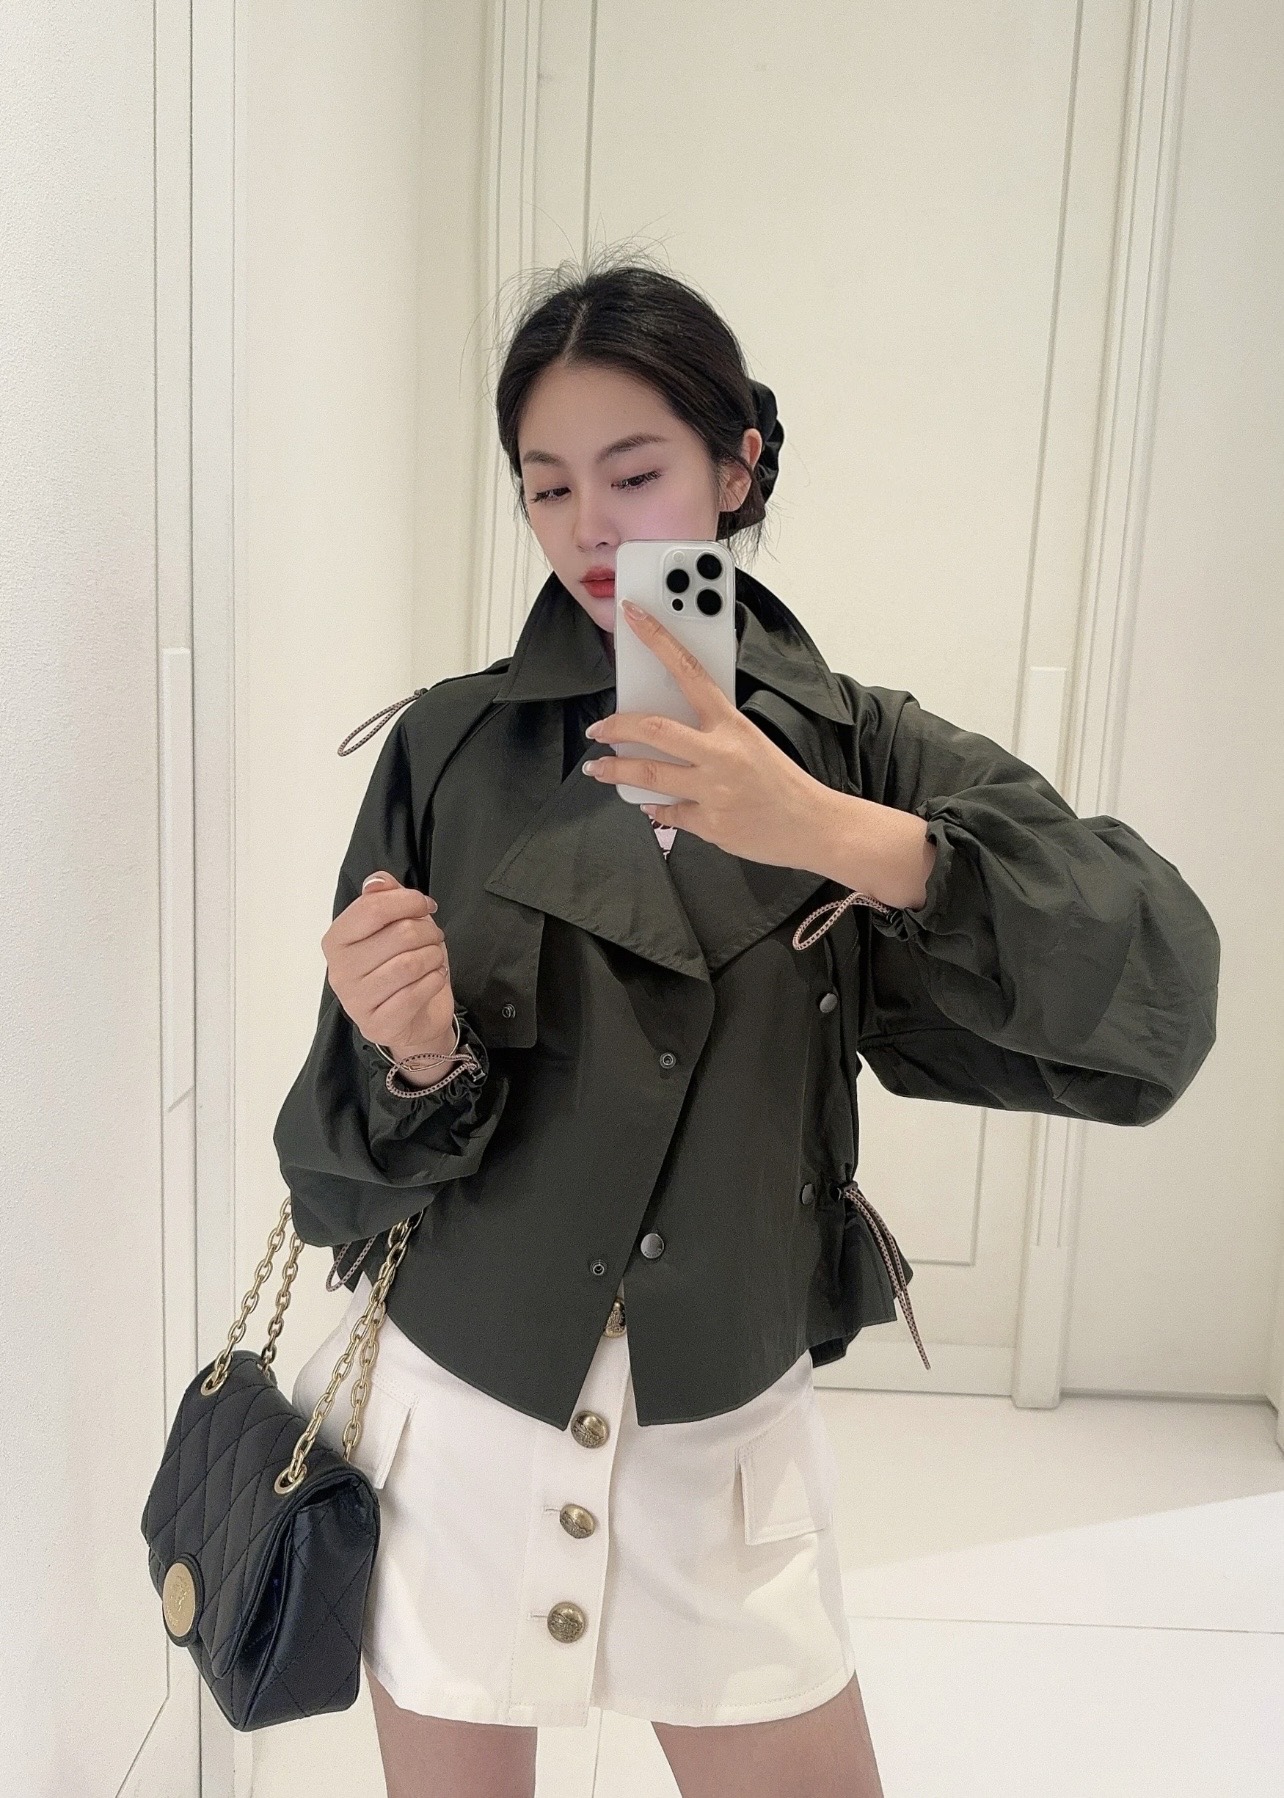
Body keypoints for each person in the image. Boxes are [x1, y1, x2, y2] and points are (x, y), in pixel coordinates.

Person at [274, 252, 1220, 1798]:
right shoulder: (447, 749)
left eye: (635, 470)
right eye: (548, 485)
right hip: (467, 1409)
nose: (591, 526)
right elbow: (336, 1180)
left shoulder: (859, 747)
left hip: (714, 1435)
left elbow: (1157, 971)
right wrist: (415, 1051)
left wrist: (838, 833)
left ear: (737, 464)